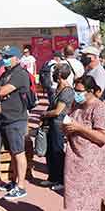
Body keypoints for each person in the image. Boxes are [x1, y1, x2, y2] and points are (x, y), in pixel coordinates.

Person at [62, 75, 105, 211]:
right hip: (76, 161)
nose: (76, 94)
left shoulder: (100, 109)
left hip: (95, 163)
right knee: (74, 200)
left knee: (93, 203)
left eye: (79, 91)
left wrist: (79, 128)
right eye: (75, 91)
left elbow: (103, 137)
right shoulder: (76, 105)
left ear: (91, 91)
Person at [0, 46, 31, 200]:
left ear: (17, 58)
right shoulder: (6, 73)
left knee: (19, 152)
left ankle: (21, 186)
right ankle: (14, 181)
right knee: (12, 152)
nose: (5, 58)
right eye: (4, 55)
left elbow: (1, 91)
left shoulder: (20, 74)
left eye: (9, 56)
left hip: (16, 119)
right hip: (4, 117)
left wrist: (0, 91)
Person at [40, 63, 74, 191]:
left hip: (59, 123)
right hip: (51, 123)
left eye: (55, 72)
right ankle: (52, 177)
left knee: (57, 152)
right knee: (50, 151)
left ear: (59, 74)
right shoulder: (58, 87)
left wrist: (44, 114)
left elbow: (57, 111)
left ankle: (61, 179)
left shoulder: (67, 90)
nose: (52, 74)